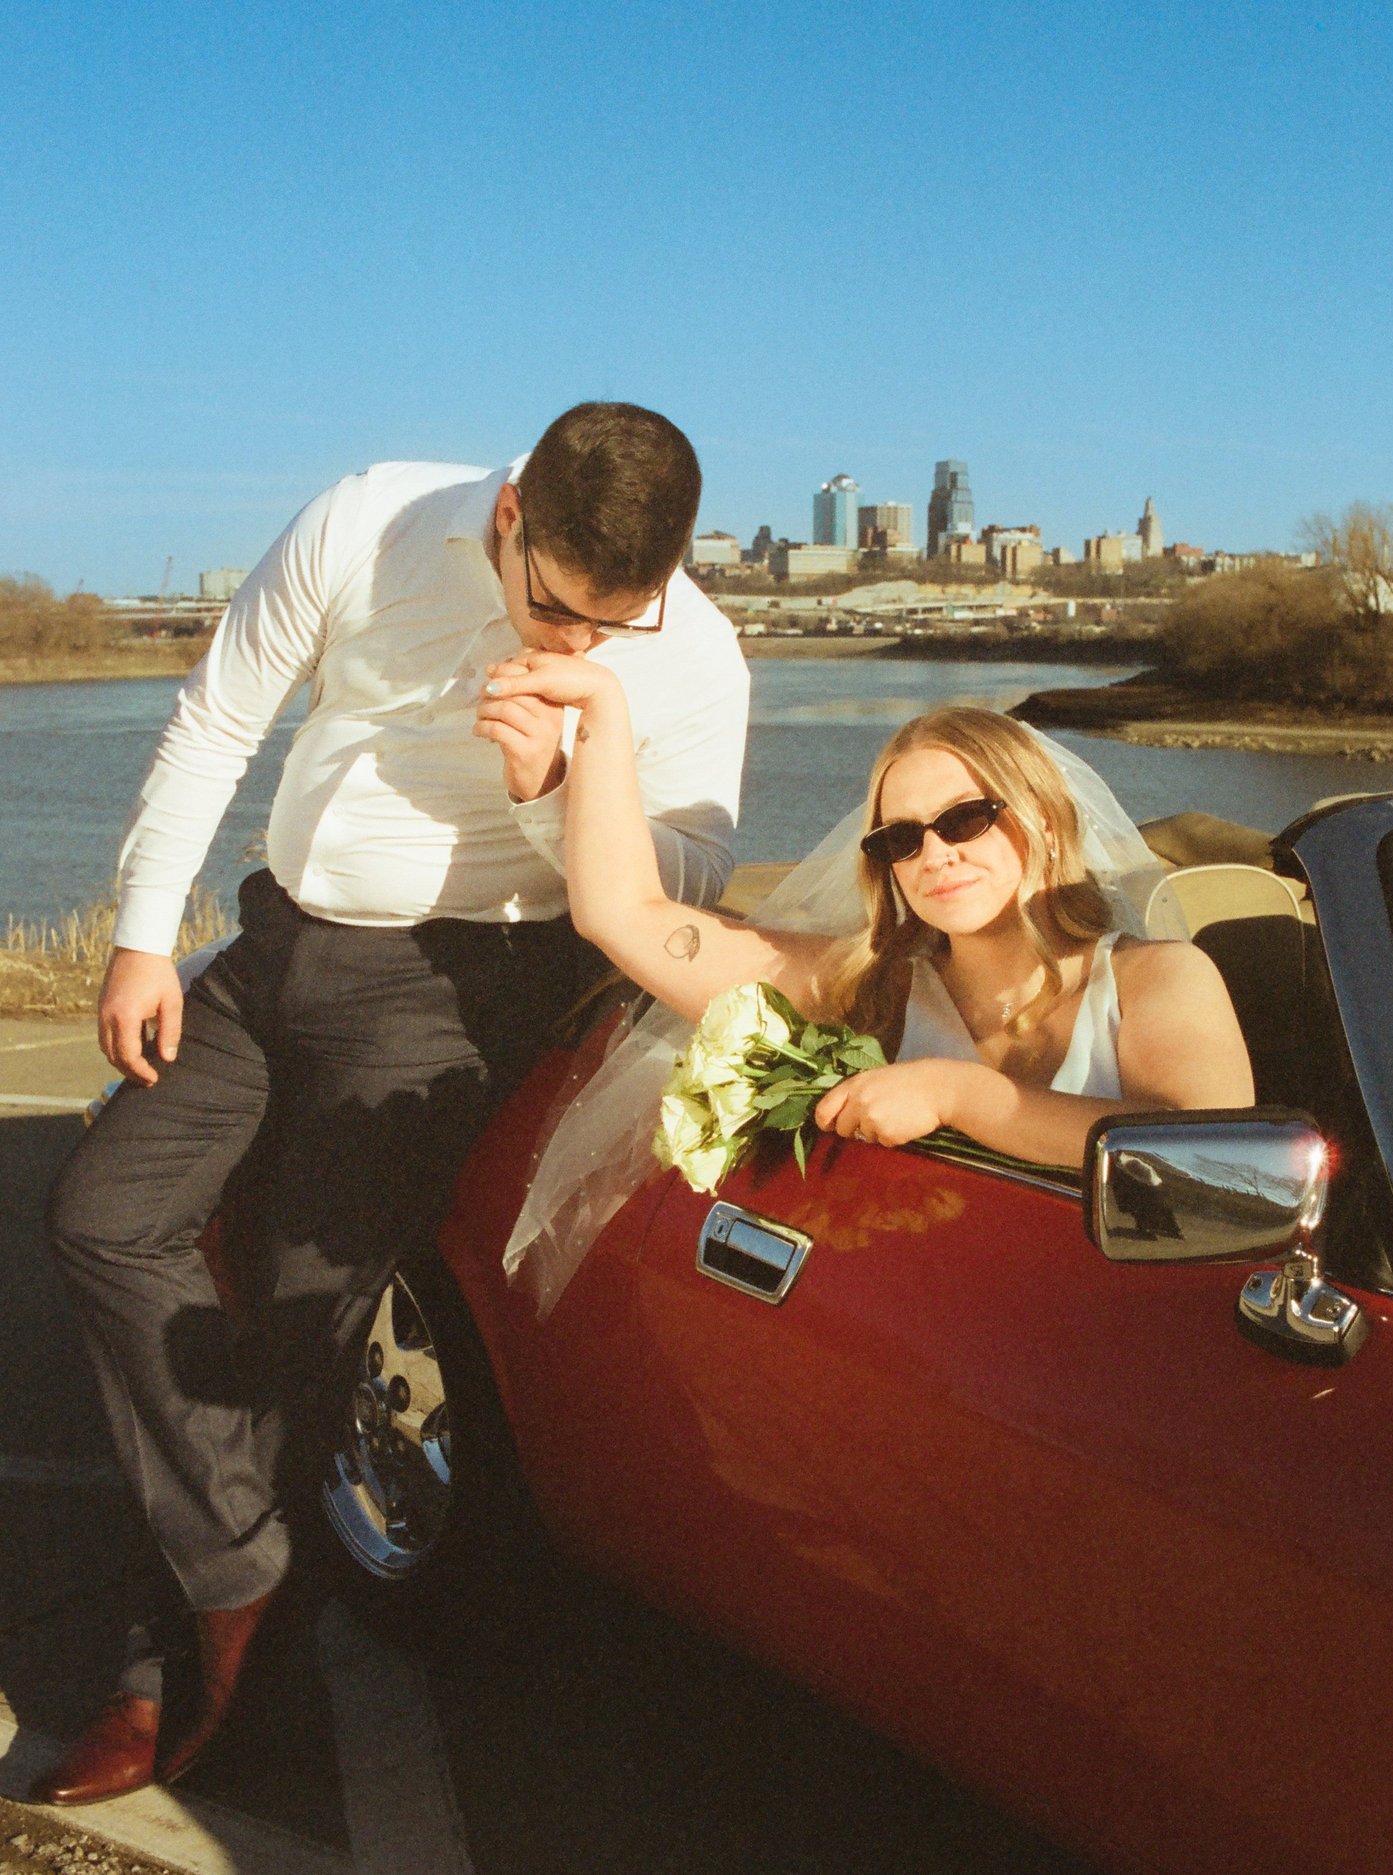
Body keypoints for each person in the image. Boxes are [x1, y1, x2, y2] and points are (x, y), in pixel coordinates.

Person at [36, 404, 749, 1805]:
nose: (582, 645)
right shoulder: (368, 518)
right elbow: (220, 714)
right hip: (277, 941)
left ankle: (171, 1651)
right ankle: (242, 1572)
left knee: (295, 1316)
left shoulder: (695, 650)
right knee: (102, 1215)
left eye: (620, 621)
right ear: (510, 513)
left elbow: (696, 877)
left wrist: (558, 788)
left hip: (456, 981)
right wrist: (139, 936)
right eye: (557, 608)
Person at [475, 656, 1254, 1311]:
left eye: (965, 819)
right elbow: (623, 915)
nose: (934, 855)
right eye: (901, 838)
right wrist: (601, 710)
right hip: (928, 1339)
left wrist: (958, 1094)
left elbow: (1225, 1178)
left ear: (1045, 821)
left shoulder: (1156, 979)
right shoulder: (866, 989)